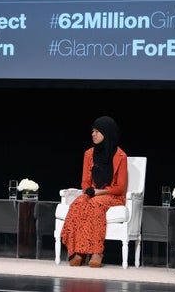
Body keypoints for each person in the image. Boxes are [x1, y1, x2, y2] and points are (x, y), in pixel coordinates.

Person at [60, 115, 127, 268]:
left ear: (107, 133)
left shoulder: (121, 156)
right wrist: (89, 190)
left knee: (95, 205)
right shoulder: (89, 154)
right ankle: (79, 251)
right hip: (93, 194)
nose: (93, 134)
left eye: (97, 131)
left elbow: (120, 187)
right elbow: (84, 181)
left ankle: (97, 252)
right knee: (78, 203)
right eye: (92, 131)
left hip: (113, 196)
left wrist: (100, 192)